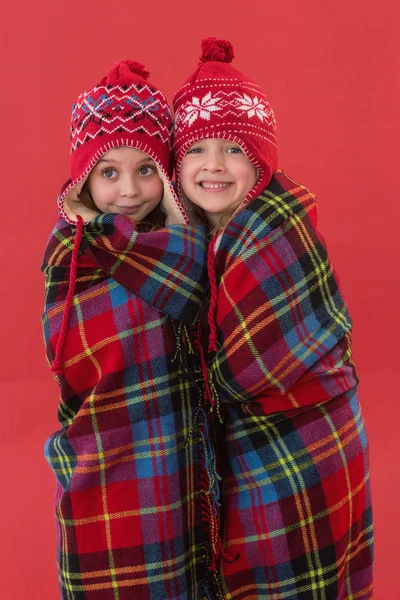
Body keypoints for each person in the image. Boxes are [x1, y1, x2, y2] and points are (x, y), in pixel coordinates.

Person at [173, 37, 374, 599]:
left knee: (295, 574)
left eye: (233, 149)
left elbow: (243, 369)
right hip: (239, 446)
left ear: (261, 161)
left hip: (305, 441)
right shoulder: (192, 240)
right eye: (194, 151)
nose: (213, 166)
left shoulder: (276, 231)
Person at [42, 59, 223, 599]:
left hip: (178, 453)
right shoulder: (72, 255)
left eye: (146, 169)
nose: (128, 190)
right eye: (109, 171)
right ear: (85, 178)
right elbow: (72, 354)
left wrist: (177, 225)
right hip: (107, 453)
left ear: (166, 177)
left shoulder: (193, 248)